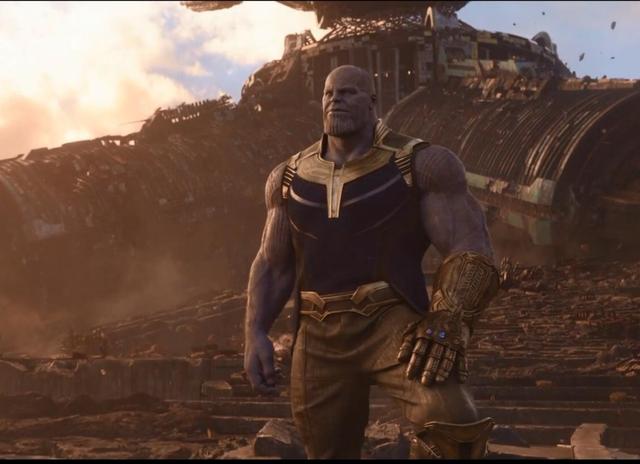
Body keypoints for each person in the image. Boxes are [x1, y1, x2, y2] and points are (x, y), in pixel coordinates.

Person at [243, 65, 500, 459]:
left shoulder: (419, 163)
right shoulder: (288, 177)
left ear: (372, 103)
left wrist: (448, 318)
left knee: (453, 423)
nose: (336, 99)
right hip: (317, 334)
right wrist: (254, 332)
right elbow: (272, 263)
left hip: (391, 322)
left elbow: (470, 246)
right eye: (329, 93)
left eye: (348, 92)